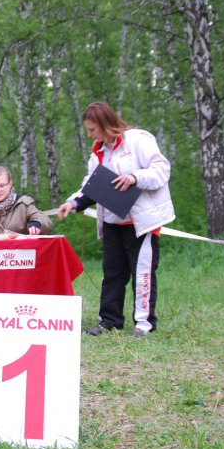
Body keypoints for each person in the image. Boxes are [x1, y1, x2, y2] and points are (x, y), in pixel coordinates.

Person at [57, 101, 174, 337]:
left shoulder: (138, 139)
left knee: (142, 273)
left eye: (92, 129)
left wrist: (135, 177)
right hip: (112, 222)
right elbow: (91, 185)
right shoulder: (98, 152)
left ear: (105, 124)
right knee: (112, 273)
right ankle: (109, 321)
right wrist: (73, 203)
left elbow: (162, 170)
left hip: (142, 223)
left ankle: (144, 324)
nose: (90, 134)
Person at [0, 166, 53, 237]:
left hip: (21, 251)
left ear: (10, 184)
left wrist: (37, 224)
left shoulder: (23, 204)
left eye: (1, 186)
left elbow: (46, 221)